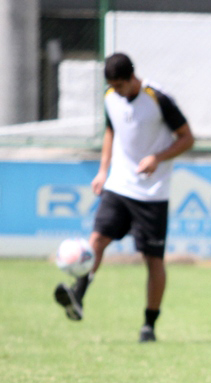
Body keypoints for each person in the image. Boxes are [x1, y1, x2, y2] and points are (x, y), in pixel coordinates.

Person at [54, 52, 194, 342]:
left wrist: (157, 157)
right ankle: (78, 297)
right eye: (112, 86)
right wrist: (103, 171)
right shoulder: (110, 97)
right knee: (96, 241)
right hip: (118, 186)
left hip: (152, 194)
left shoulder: (158, 98)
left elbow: (187, 138)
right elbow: (111, 131)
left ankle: (149, 325)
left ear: (132, 78)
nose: (116, 91)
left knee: (153, 260)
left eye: (120, 85)